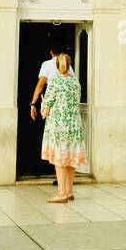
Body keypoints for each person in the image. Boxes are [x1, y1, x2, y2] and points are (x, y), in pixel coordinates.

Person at [40, 52, 86, 204]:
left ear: (57, 66)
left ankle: (61, 194)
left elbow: (47, 105)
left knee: (59, 159)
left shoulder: (54, 81)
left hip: (59, 125)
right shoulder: (75, 82)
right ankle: (69, 191)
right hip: (75, 124)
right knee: (71, 158)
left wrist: (43, 106)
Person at [30, 47, 76, 179]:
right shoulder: (74, 80)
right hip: (72, 118)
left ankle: (61, 189)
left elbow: (41, 85)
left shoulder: (52, 77)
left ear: (51, 51)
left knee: (57, 150)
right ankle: (67, 189)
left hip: (56, 117)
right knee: (69, 150)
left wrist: (34, 103)